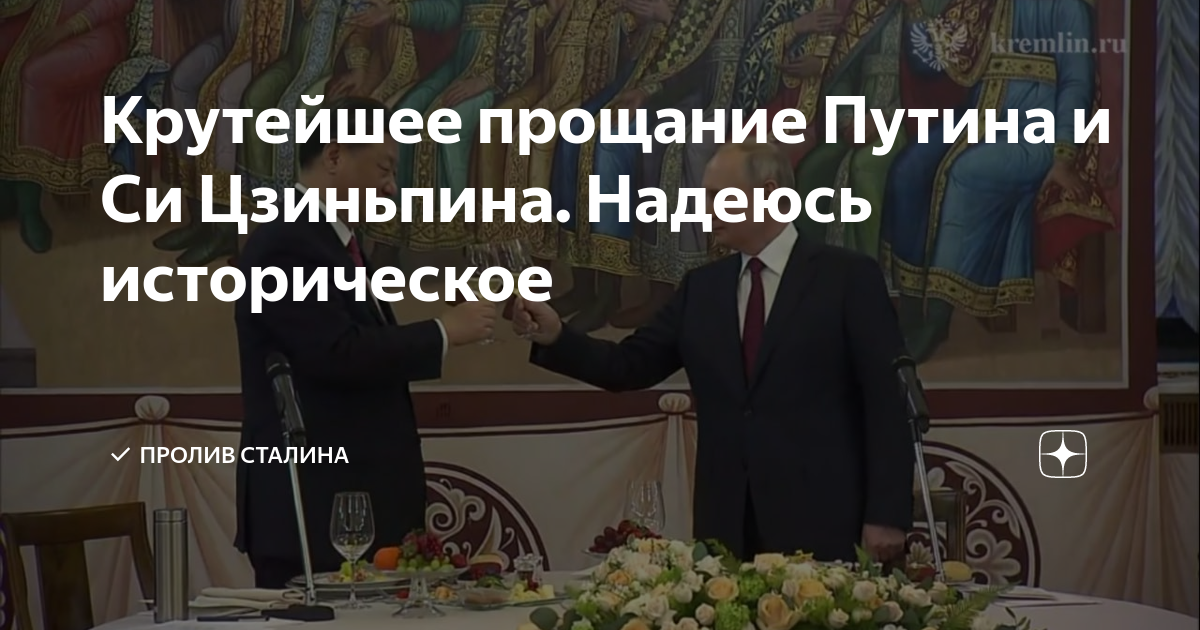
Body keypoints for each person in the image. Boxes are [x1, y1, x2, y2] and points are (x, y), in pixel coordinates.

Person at [515, 140, 915, 562]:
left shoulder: (847, 278)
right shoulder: (702, 288)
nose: (704, 211)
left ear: (769, 193)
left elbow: (888, 401)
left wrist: (887, 513)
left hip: (825, 525)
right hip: (726, 529)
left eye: (717, 197)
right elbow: (628, 366)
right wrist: (556, 335)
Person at [234, 97, 497, 588]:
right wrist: (444, 331)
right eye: (384, 168)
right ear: (335, 156)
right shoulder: (288, 240)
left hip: (351, 510)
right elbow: (337, 352)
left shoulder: (331, 243)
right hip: (316, 513)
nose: (391, 187)